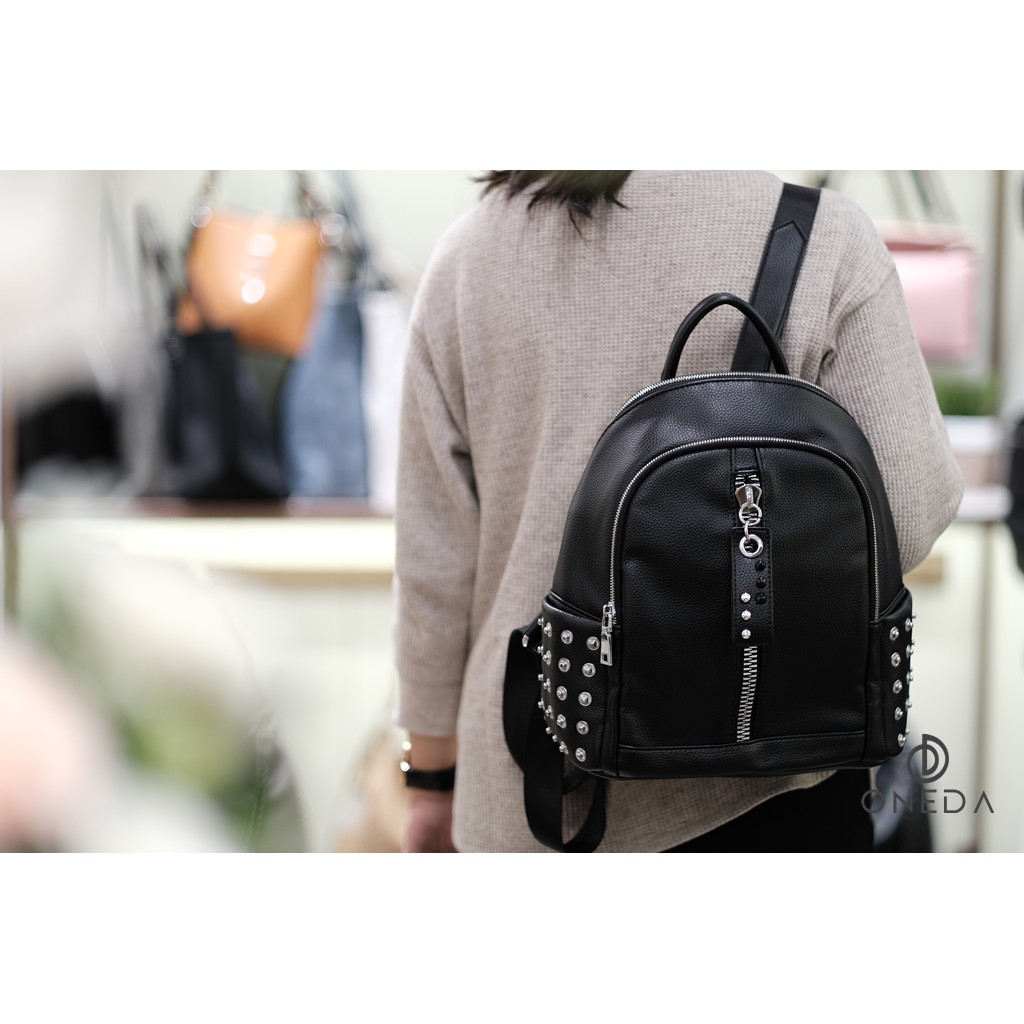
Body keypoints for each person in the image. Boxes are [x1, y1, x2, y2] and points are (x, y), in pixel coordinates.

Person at [393, 170, 964, 853]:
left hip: (531, 780)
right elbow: (909, 515)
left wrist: (431, 779)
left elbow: (433, 570)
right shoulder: (826, 239)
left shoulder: (468, 253)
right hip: (774, 771)